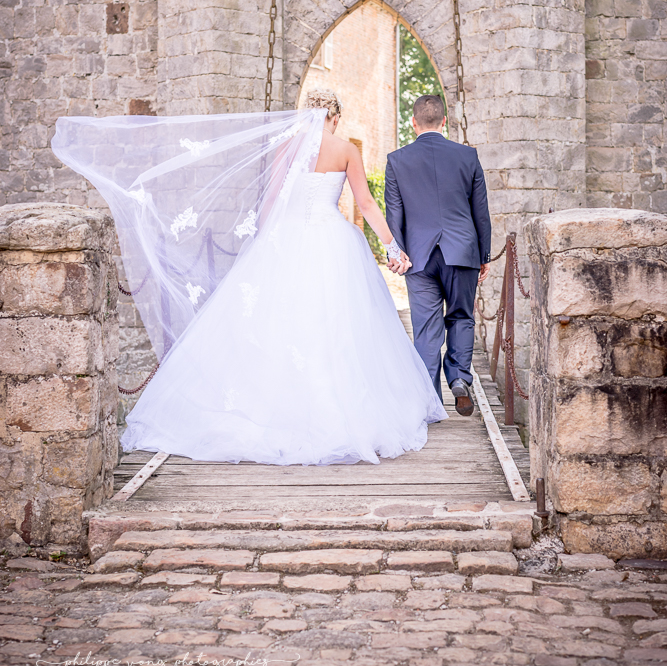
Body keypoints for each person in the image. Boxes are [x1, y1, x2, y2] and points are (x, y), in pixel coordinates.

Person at [53, 90, 445, 465]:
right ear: (336, 118)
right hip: (333, 238)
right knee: (336, 323)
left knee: (276, 322)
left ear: (306, 115)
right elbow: (365, 202)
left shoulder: (285, 150)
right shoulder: (346, 150)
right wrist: (393, 247)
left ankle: (273, 409)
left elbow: (270, 201)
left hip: (287, 238)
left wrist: (262, 246)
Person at [385, 94, 491, 416]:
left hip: (418, 256)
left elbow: (394, 214)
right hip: (461, 252)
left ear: (413, 122)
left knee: (426, 328)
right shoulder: (467, 156)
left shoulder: (397, 160)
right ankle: (459, 377)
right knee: (461, 316)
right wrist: (483, 254)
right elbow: (480, 213)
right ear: (444, 122)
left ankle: (429, 402)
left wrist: (397, 253)